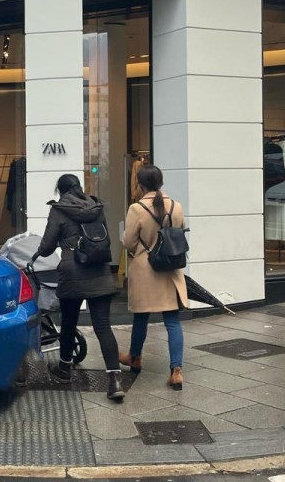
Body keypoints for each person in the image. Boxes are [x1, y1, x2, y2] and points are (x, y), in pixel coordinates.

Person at [34, 174, 125, 401]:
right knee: (103, 326)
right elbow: (105, 240)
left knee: (68, 322)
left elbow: (46, 247)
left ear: (61, 191)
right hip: (100, 270)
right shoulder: (96, 206)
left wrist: (42, 251)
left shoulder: (59, 210)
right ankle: (115, 381)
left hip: (72, 272)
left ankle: (64, 369)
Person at [120, 164, 188, 391]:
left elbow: (128, 242)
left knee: (141, 317)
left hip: (145, 271)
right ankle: (176, 371)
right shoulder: (176, 206)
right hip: (170, 270)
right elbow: (181, 232)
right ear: (161, 182)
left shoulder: (136, 209)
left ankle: (135, 357)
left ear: (139, 184)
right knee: (172, 321)